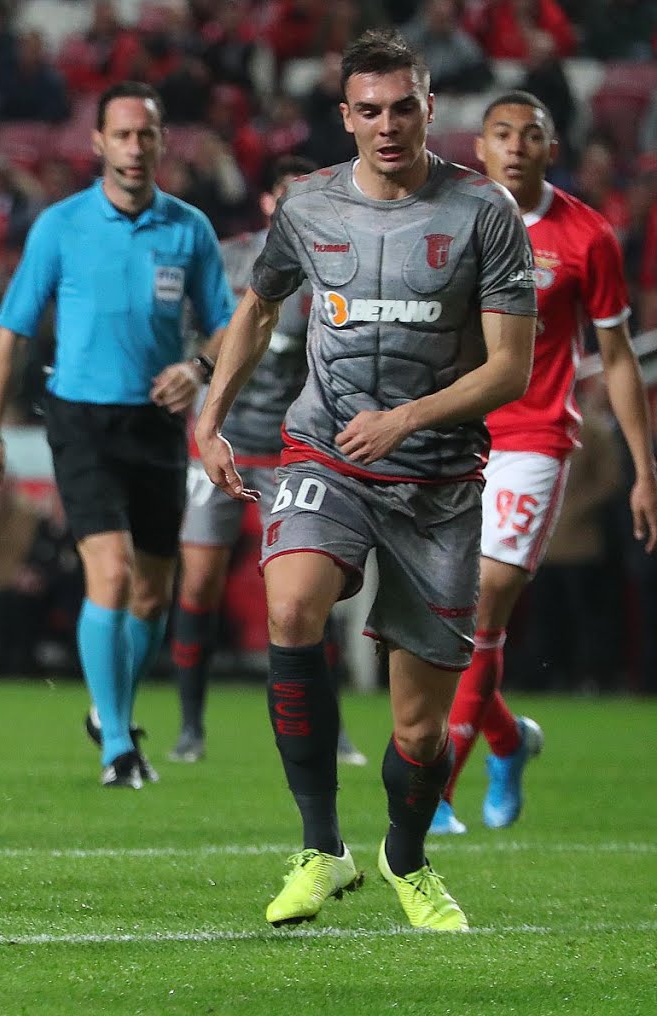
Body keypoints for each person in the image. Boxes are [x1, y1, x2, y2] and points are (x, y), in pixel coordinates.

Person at [196, 31, 537, 931]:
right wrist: (210, 416)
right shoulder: (307, 205)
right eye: (370, 110)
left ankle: (405, 858)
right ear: (346, 117)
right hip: (327, 454)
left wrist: (407, 418)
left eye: (404, 107)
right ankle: (321, 848)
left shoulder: (484, 212)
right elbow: (258, 306)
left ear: (430, 108)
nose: (388, 125)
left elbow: (511, 368)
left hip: (438, 482)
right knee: (291, 607)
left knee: (419, 731)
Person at [0, 81, 236, 790]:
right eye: (121, 134)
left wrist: (197, 368)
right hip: (80, 418)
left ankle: (106, 706)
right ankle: (119, 745)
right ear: (98, 143)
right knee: (111, 574)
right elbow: (11, 333)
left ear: (162, 141)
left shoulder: (189, 230)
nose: (134, 147)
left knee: (152, 594)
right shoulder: (60, 226)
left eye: (146, 134)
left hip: (156, 421)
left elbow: (228, 326)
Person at [429, 91, 657, 835]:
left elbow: (616, 358)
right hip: (454, 435)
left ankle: (435, 796)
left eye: (531, 134)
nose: (516, 145)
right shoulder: (452, 221)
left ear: (551, 150)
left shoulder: (587, 236)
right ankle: (509, 740)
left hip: (534, 442)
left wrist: (644, 469)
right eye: (502, 133)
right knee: (440, 624)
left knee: (484, 606)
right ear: (480, 148)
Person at [170, 155, 368, 768]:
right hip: (218, 443)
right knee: (199, 581)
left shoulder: (341, 263)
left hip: (294, 451)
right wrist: (194, 375)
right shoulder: (230, 260)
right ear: (267, 201)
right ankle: (190, 728)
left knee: (305, 591)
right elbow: (194, 332)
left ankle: (333, 730)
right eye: (288, 194)